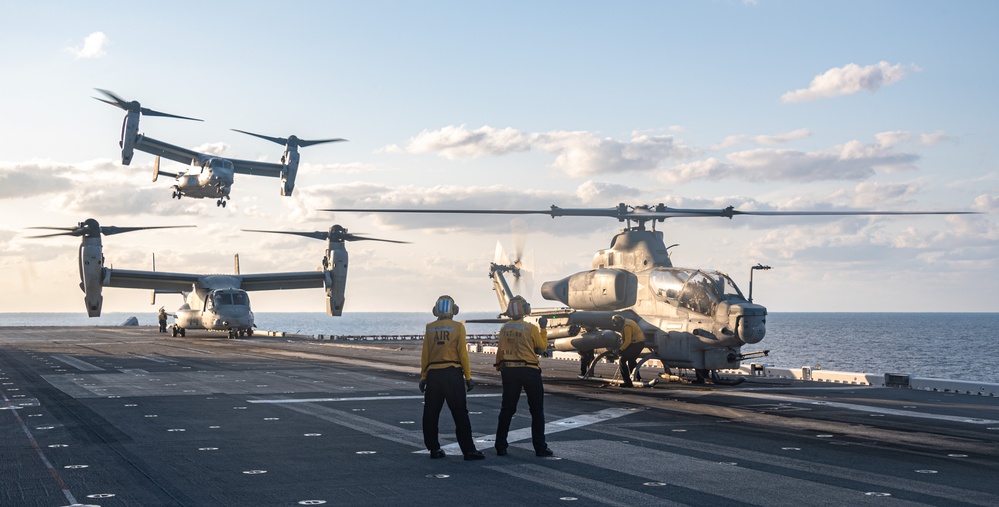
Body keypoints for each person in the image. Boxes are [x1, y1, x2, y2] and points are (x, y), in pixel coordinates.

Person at [419, 295, 484, 461]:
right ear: (453, 310)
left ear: (436, 310)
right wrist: (468, 376)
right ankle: (468, 451)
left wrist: (423, 377)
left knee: (431, 413)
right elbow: (463, 353)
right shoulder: (457, 328)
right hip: (452, 373)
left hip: (433, 374)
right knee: (460, 413)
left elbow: (425, 354)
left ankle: (434, 449)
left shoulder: (430, 327)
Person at [494, 295, 553, 457]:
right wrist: (543, 329)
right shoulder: (531, 328)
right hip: (529, 371)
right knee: (536, 410)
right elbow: (541, 346)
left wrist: (499, 366)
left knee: (507, 409)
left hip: (509, 371)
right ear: (525, 310)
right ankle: (540, 447)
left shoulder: (504, 328)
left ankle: (500, 445)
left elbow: (500, 350)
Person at [613, 315, 645, 388]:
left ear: (620, 323)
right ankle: (637, 378)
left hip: (636, 344)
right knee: (631, 360)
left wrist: (621, 349)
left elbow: (628, 340)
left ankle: (627, 381)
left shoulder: (627, 326)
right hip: (639, 343)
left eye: (617, 325)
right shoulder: (628, 321)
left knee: (622, 360)